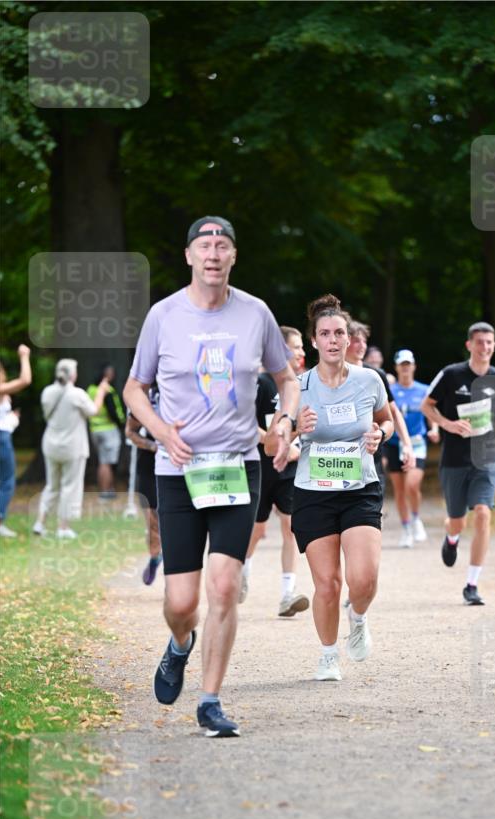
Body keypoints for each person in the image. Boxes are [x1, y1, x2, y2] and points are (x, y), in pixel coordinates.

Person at [123, 215, 299, 737]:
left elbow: (287, 377)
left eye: (223, 245)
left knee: (223, 586)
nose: (214, 253)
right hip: (177, 470)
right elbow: (135, 388)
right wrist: (159, 431)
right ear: (189, 256)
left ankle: (210, 700)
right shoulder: (163, 315)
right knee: (181, 603)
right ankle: (180, 643)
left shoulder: (255, 313)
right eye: (205, 245)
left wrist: (284, 420)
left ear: (233, 257)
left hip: (238, 466)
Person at [272, 294, 393, 682]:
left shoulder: (368, 380)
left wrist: (380, 435)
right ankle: (328, 656)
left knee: (365, 578)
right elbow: (276, 439)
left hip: (359, 487)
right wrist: (294, 429)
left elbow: (385, 421)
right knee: (327, 583)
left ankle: (357, 616)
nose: (333, 340)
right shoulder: (298, 387)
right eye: (325, 333)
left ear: (348, 337)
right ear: (314, 341)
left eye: (339, 332)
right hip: (313, 491)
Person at [422, 321, 495, 605]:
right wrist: (448, 424)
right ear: (469, 345)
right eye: (480, 342)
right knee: (458, 520)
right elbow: (427, 405)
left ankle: (471, 584)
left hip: (486, 457)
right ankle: (452, 537)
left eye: (490, 343)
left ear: (494, 346)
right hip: (454, 459)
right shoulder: (451, 374)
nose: (485, 347)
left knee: (483, 512)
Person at [242, 326, 310, 617]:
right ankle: (241, 572)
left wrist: (294, 440)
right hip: (259, 466)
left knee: (291, 526)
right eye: (297, 347)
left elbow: (297, 425)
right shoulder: (260, 383)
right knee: (256, 531)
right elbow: (243, 423)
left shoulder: (299, 385)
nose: (302, 352)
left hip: (289, 469)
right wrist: (276, 441)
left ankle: (287, 595)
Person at [33, 359, 110, 539]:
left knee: (52, 485)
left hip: (50, 445)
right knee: (70, 485)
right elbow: (93, 411)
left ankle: (40, 522)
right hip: (72, 447)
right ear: (73, 374)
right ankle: (63, 526)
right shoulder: (77, 394)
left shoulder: (47, 392)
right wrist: (101, 392)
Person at [346, 319, 415, 496]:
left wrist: (407, 445)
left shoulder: (376, 375)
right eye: (356, 340)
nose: (361, 345)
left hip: (371, 453)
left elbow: (393, 412)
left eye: (364, 341)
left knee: (371, 513)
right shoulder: (331, 374)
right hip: (340, 456)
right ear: (345, 342)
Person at [386, 348, 440, 547]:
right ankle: (406, 529)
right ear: (397, 367)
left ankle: (416, 517)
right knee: (399, 490)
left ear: (414, 366)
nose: (405, 368)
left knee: (412, 485)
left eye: (408, 364)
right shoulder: (390, 391)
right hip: (394, 444)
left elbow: (431, 412)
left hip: (416, 443)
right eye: (402, 365)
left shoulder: (423, 390)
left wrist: (434, 428)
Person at [125, 386, 163, 586]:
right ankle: (155, 557)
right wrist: (153, 446)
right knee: (152, 519)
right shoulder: (148, 398)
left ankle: (176, 576)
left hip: (180, 462)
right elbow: (130, 431)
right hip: (149, 463)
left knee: (175, 520)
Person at [0, 344, 32, 537]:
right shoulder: (0, 389)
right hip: (1, 438)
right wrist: (24, 356)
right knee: (6, 481)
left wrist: (11, 418)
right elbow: (25, 380)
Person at [88, 364, 125, 500]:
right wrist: (121, 423)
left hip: (94, 430)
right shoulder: (106, 389)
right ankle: (107, 491)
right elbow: (112, 410)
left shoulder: (91, 389)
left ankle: (105, 489)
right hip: (108, 429)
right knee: (107, 462)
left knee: (102, 461)